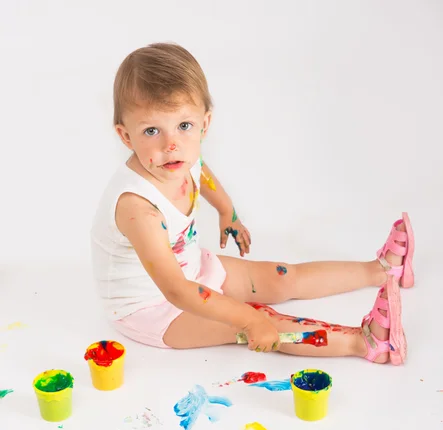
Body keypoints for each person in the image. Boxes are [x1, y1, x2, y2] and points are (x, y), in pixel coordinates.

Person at [91, 42, 414, 365]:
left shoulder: (177, 157)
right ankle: (366, 342)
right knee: (263, 321)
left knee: (282, 277)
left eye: (184, 126)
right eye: (151, 130)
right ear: (125, 136)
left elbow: (202, 175)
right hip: (155, 309)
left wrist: (226, 211)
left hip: (193, 271)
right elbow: (175, 290)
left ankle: (381, 271)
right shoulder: (138, 209)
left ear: (205, 123)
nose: (171, 144)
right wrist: (247, 319)